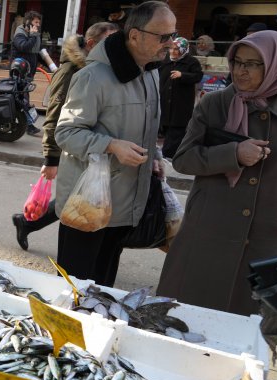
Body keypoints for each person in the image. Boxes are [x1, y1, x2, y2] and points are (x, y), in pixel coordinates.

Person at [158, 30, 277, 316]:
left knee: (242, 329)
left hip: (264, 238)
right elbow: (183, 159)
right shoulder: (215, 103)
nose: (240, 71)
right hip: (207, 229)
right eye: (237, 62)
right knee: (185, 318)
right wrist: (232, 154)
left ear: (275, 65)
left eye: (253, 64)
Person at [54, 1, 175, 287]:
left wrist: (155, 154)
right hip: (88, 205)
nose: (170, 44)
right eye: (163, 36)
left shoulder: (151, 72)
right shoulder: (93, 76)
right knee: (74, 290)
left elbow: (146, 128)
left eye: (173, 35)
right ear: (135, 36)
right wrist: (111, 146)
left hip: (124, 204)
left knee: (102, 288)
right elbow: (66, 133)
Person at [11, 22, 119, 250]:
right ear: (91, 44)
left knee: (79, 199)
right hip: (74, 148)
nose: (115, 46)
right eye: (109, 41)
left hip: (93, 149)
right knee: (76, 201)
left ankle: (26, 223)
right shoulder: (71, 70)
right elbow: (54, 114)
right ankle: (27, 223)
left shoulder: (104, 70)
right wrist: (51, 159)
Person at [159, 37, 203, 159]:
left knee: (177, 129)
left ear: (184, 49)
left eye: (177, 49)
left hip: (181, 103)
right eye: (172, 48)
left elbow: (198, 76)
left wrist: (182, 75)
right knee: (166, 128)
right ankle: (169, 153)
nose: (173, 51)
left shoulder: (191, 62)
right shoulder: (164, 60)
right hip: (164, 102)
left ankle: (169, 155)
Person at [12, 11, 43, 135]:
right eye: (35, 22)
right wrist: (33, 35)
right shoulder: (20, 34)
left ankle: (24, 123)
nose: (38, 25)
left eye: (39, 23)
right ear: (28, 22)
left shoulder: (31, 34)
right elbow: (24, 47)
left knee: (22, 98)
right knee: (23, 98)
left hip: (28, 71)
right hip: (20, 72)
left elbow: (35, 51)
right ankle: (28, 125)